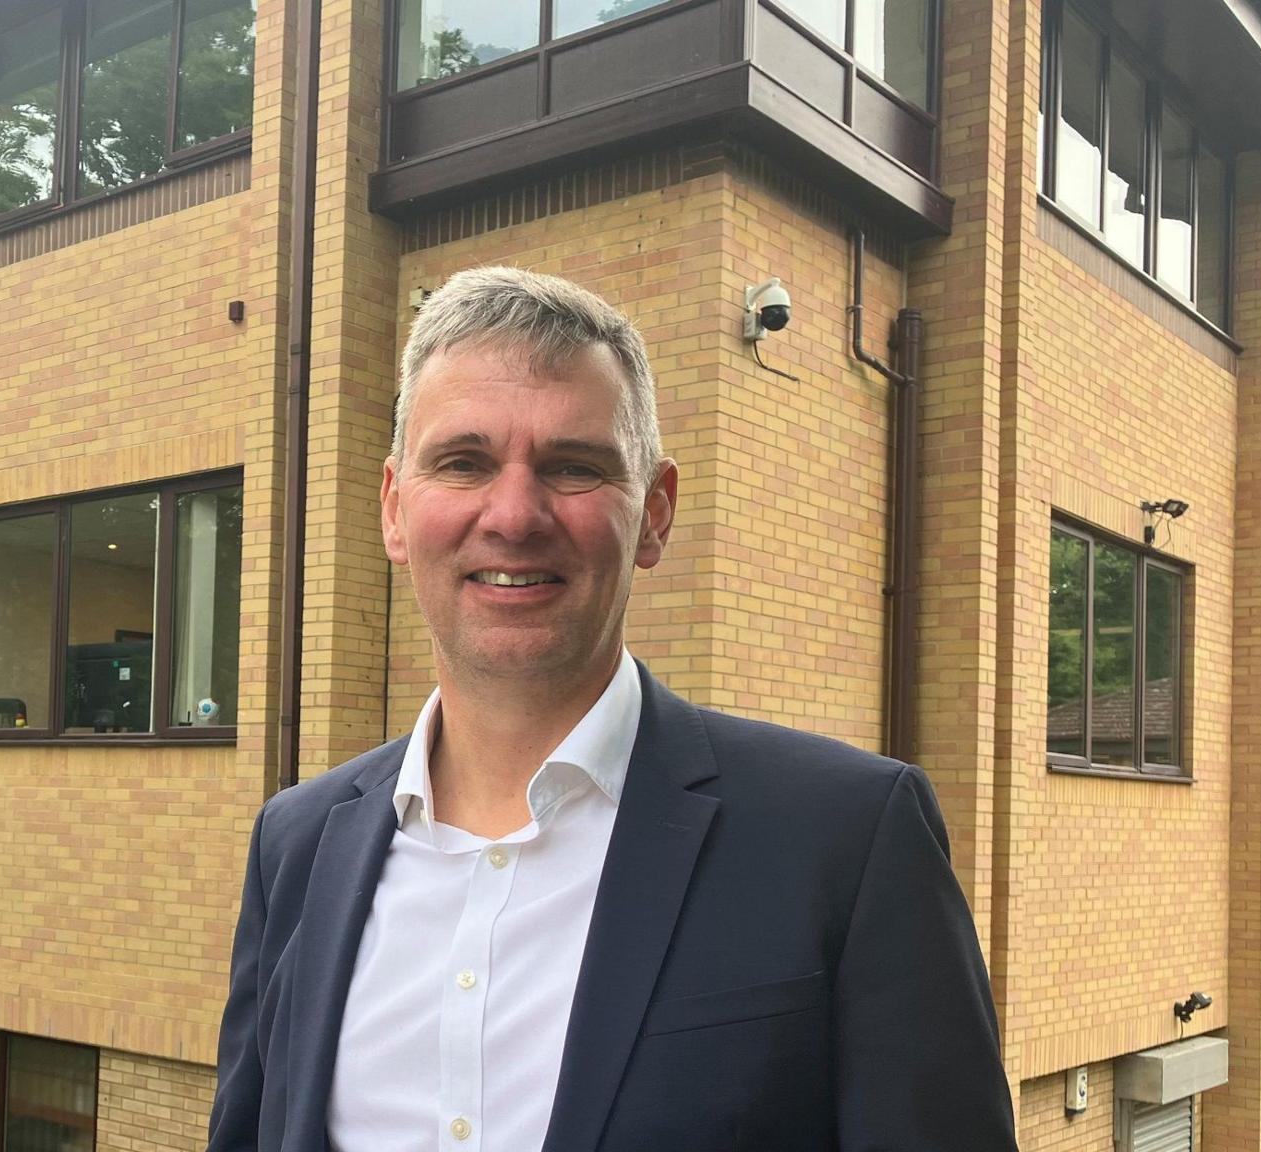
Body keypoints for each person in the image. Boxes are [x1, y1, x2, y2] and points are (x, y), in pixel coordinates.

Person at [207, 266, 1015, 1150]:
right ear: (396, 510)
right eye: (464, 462)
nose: (513, 515)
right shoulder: (297, 844)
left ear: (655, 514)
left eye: (573, 468)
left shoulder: (849, 838)